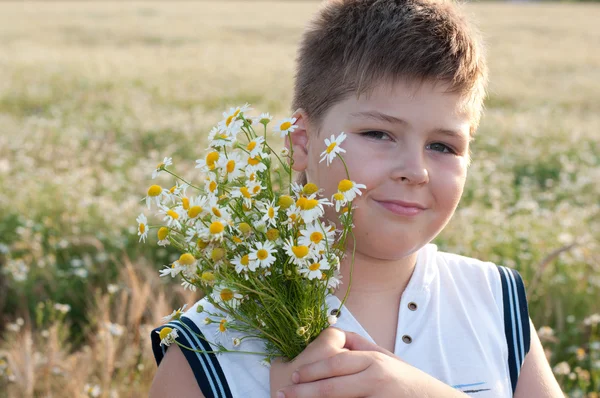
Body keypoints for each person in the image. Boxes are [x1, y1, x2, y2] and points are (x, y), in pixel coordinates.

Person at [149, 0, 564, 397]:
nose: (415, 170)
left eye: (443, 146)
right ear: (301, 143)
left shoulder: (494, 300)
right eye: (378, 134)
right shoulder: (211, 345)